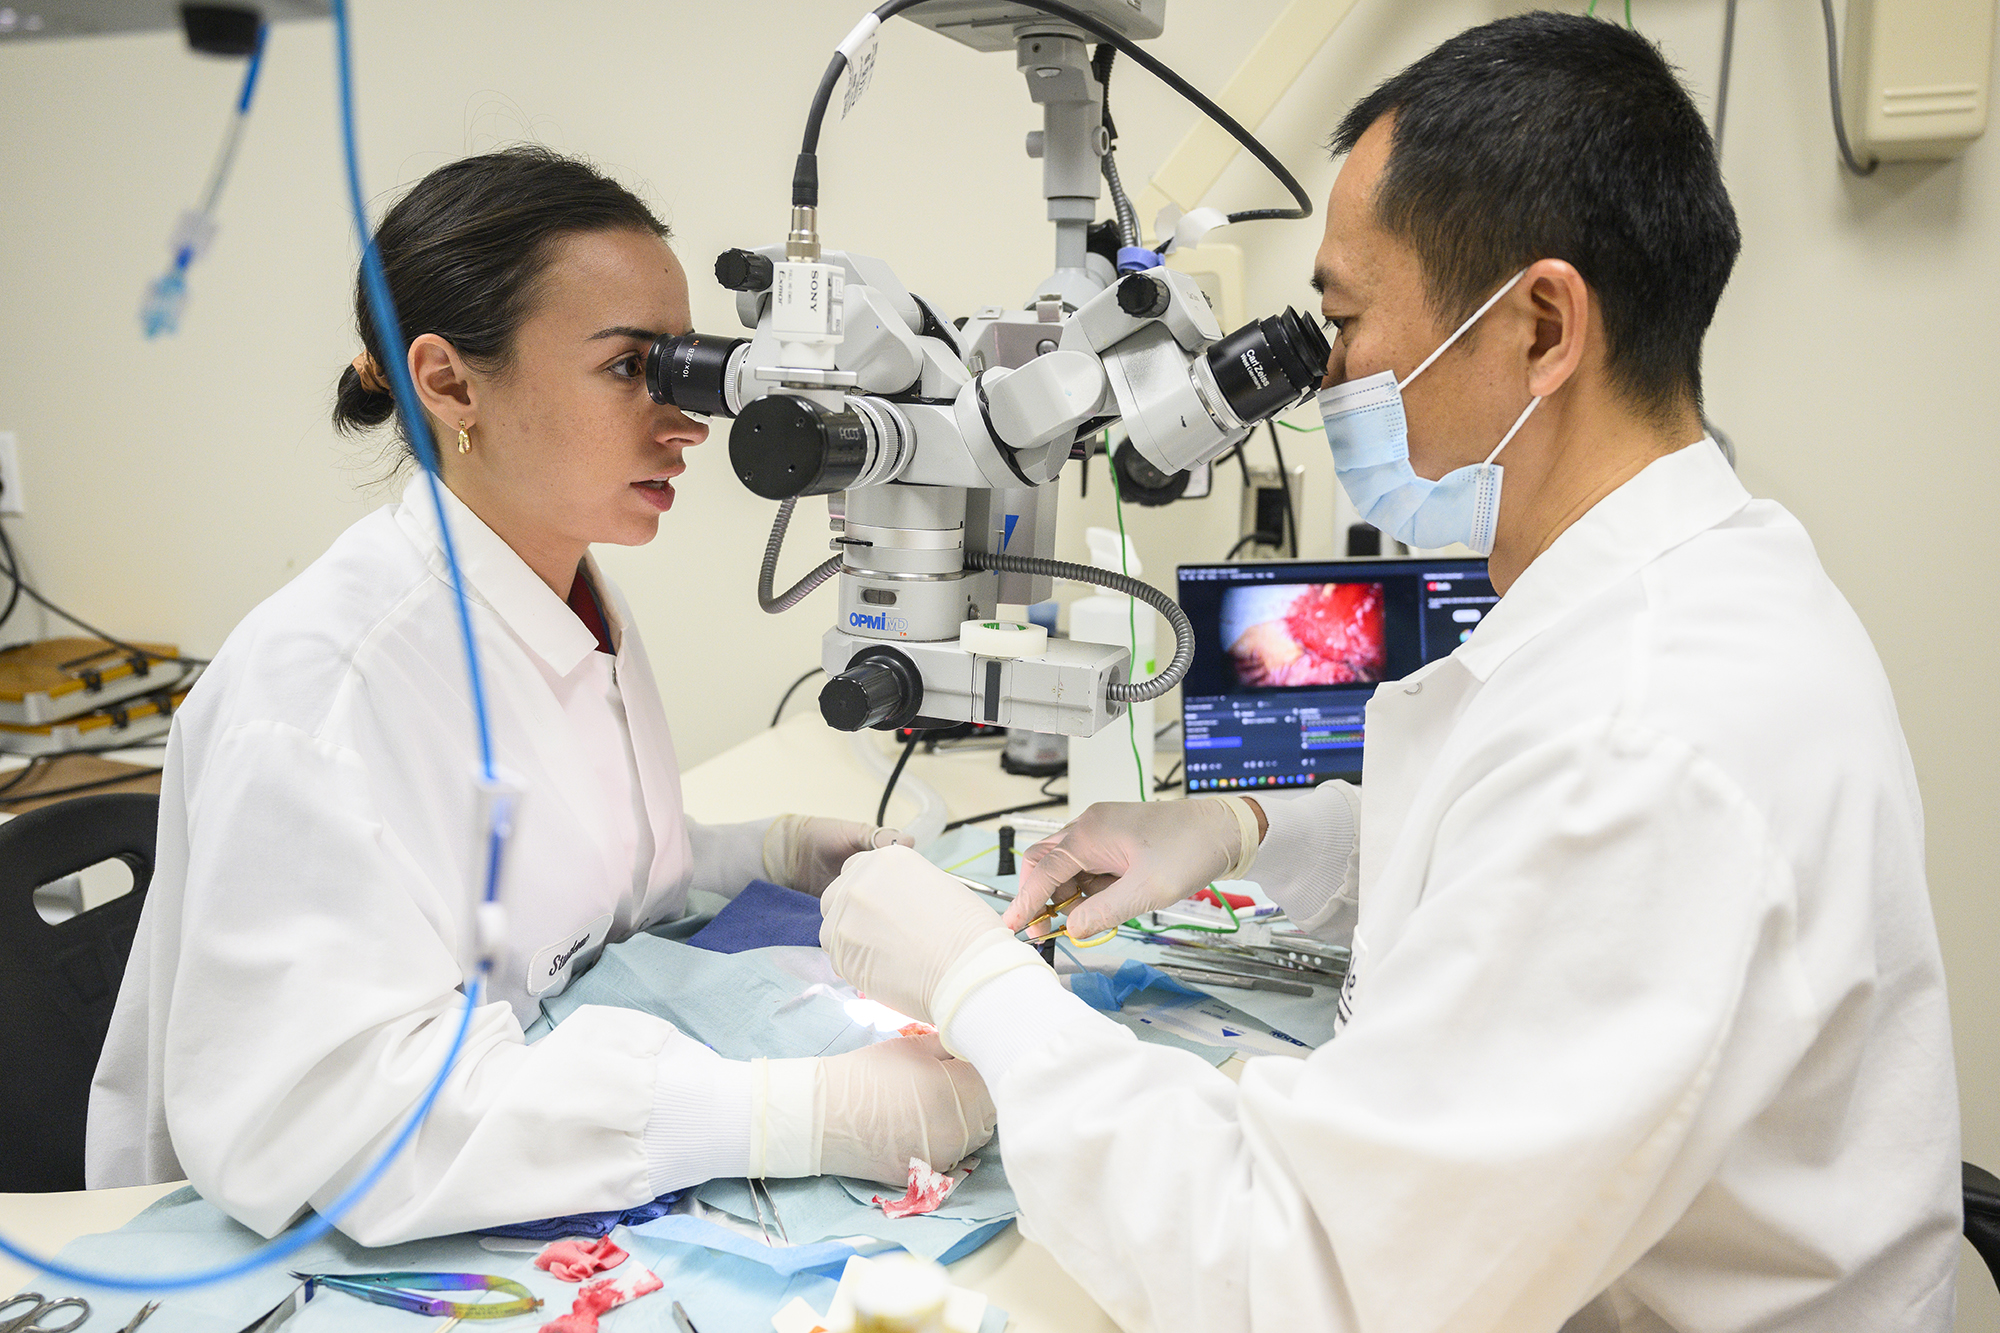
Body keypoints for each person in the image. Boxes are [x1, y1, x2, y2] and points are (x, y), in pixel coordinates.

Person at [817, 14, 1959, 1332]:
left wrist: (977, 986)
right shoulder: (1685, 586)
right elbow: (1505, 858)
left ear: (1541, 326)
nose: (1328, 380)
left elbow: (1312, 1283)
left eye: (1346, 324)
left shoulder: (1646, 742)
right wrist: (1240, 828)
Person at [87, 147, 993, 1244]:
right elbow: (348, 1127)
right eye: (629, 370)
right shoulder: (325, 690)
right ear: (449, 382)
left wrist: (763, 852)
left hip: (519, 1156)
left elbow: (560, 897)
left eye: (686, 367)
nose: (687, 421)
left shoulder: (558, 587)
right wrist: (789, 1115)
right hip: (296, 1242)